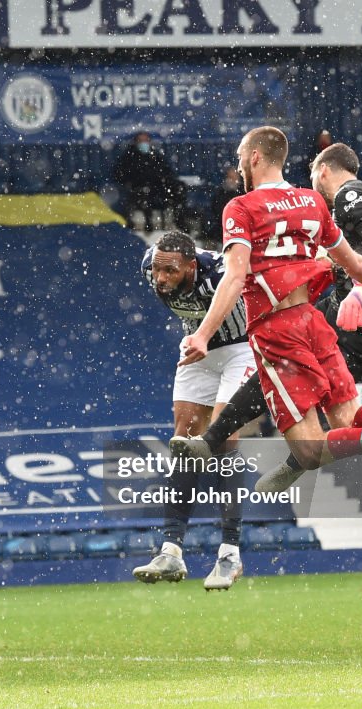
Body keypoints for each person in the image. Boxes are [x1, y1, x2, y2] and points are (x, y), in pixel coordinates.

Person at [177, 126, 362, 496]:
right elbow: (354, 261)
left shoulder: (240, 207)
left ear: (255, 157)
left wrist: (203, 333)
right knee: (347, 424)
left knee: (310, 451)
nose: (240, 165)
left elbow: (234, 276)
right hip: (315, 322)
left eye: (241, 157)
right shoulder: (311, 202)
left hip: (277, 331)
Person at [131, 230, 254, 591]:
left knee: (223, 438)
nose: (160, 278)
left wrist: (203, 334)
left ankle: (230, 551)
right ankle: (171, 551)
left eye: (170, 271)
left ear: (190, 265)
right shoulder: (149, 267)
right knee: (183, 442)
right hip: (198, 350)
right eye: (157, 270)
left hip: (241, 347)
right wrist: (198, 336)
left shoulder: (219, 270)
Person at [113, 131, 187, 231]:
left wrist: (166, 180)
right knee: (144, 192)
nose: (144, 143)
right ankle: (148, 224)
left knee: (178, 188)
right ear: (135, 142)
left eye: (146, 141)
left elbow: (167, 172)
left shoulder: (156, 156)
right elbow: (120, 175)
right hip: (139, 188)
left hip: (158, 187)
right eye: (141, 141)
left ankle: (180, 221)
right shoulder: (129, 157)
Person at [204, 166, 242, 243]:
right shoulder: (221, 192)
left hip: (238, 225)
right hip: (222, 226)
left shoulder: (243, 190)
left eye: (235, 177)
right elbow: (216, 210)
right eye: (231, 176)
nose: (234, 180)